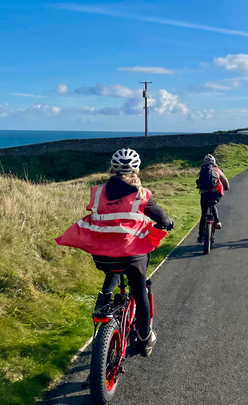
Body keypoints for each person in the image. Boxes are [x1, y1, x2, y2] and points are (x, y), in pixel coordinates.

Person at [55, 148, 173, 357]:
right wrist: (168, 223)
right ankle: (145, 338)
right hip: (132, 256)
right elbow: (162, 219)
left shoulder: (99, 192)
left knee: (113, 268)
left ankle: (104, 298)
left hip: (102, 256)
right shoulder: (142, 194)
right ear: (137, 169)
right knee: (139, 289)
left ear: (112, 169)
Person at [196, 154, 230, 244]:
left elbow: (198, 182)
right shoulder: (217, 170)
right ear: (214, 161)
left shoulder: (201, 171)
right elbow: (225, 181)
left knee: (203, 215)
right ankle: (217, 222)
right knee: (212, 204)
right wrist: (226, 188)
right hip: (215, 195)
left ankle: (200, 236)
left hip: (204, 195)